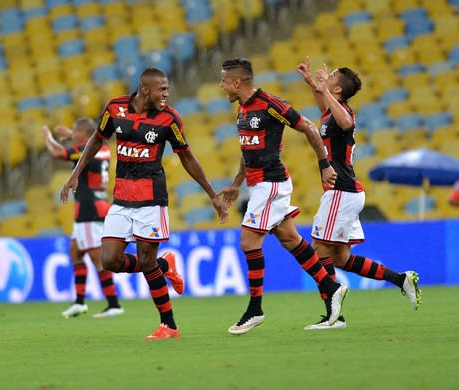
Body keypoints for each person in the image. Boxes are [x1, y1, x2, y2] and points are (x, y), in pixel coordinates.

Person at [61, 67, 229, 340]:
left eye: (167, 89)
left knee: (146, 260)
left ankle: (169, 325)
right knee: (110, 260)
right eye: (162, 89)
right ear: (146, 90)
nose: (167, 94)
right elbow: (96, 140)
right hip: (121, 199)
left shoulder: (170, 118)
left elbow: (187, 157)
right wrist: (75, 173)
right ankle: (165, 266)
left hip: (151, 200)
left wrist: (212, 195)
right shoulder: (115, 109)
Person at [218, 58, 348, 335]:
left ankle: (255, 309)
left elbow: (309, 128)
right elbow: (248, 153)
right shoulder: (242, 110)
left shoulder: (269, 103)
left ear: (237, 82)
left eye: (224, 81)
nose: (221, 86)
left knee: (248, 240)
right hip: (259, 184)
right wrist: (236, 184)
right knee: (290, 238)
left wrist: (324, 164)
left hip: (271, 182)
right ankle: (330, 286)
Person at [297, 58, 422, 330]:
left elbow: (345, 122)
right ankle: (401, 279)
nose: (326, 76)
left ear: (339, 90)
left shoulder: (344, 113)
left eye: (331, 76)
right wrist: (312, 84)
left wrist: (324, 91)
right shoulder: (330, 113)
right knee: (340, 258)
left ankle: (334, 315)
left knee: (318, 250)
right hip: (346, 191)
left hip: (341, 191)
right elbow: (326, 110)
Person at [43, 118, 124, 318]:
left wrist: (48, 137)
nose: (73, 137)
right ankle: (79, 302)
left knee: (97, 257)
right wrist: (71, 134)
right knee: (75, 252)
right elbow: (86, 141)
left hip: (89, 209)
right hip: (91, 206)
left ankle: (114, 304)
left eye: (76, 133)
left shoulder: (86, 149)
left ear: (84, 134)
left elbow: (56, 152)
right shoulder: (103, 148)